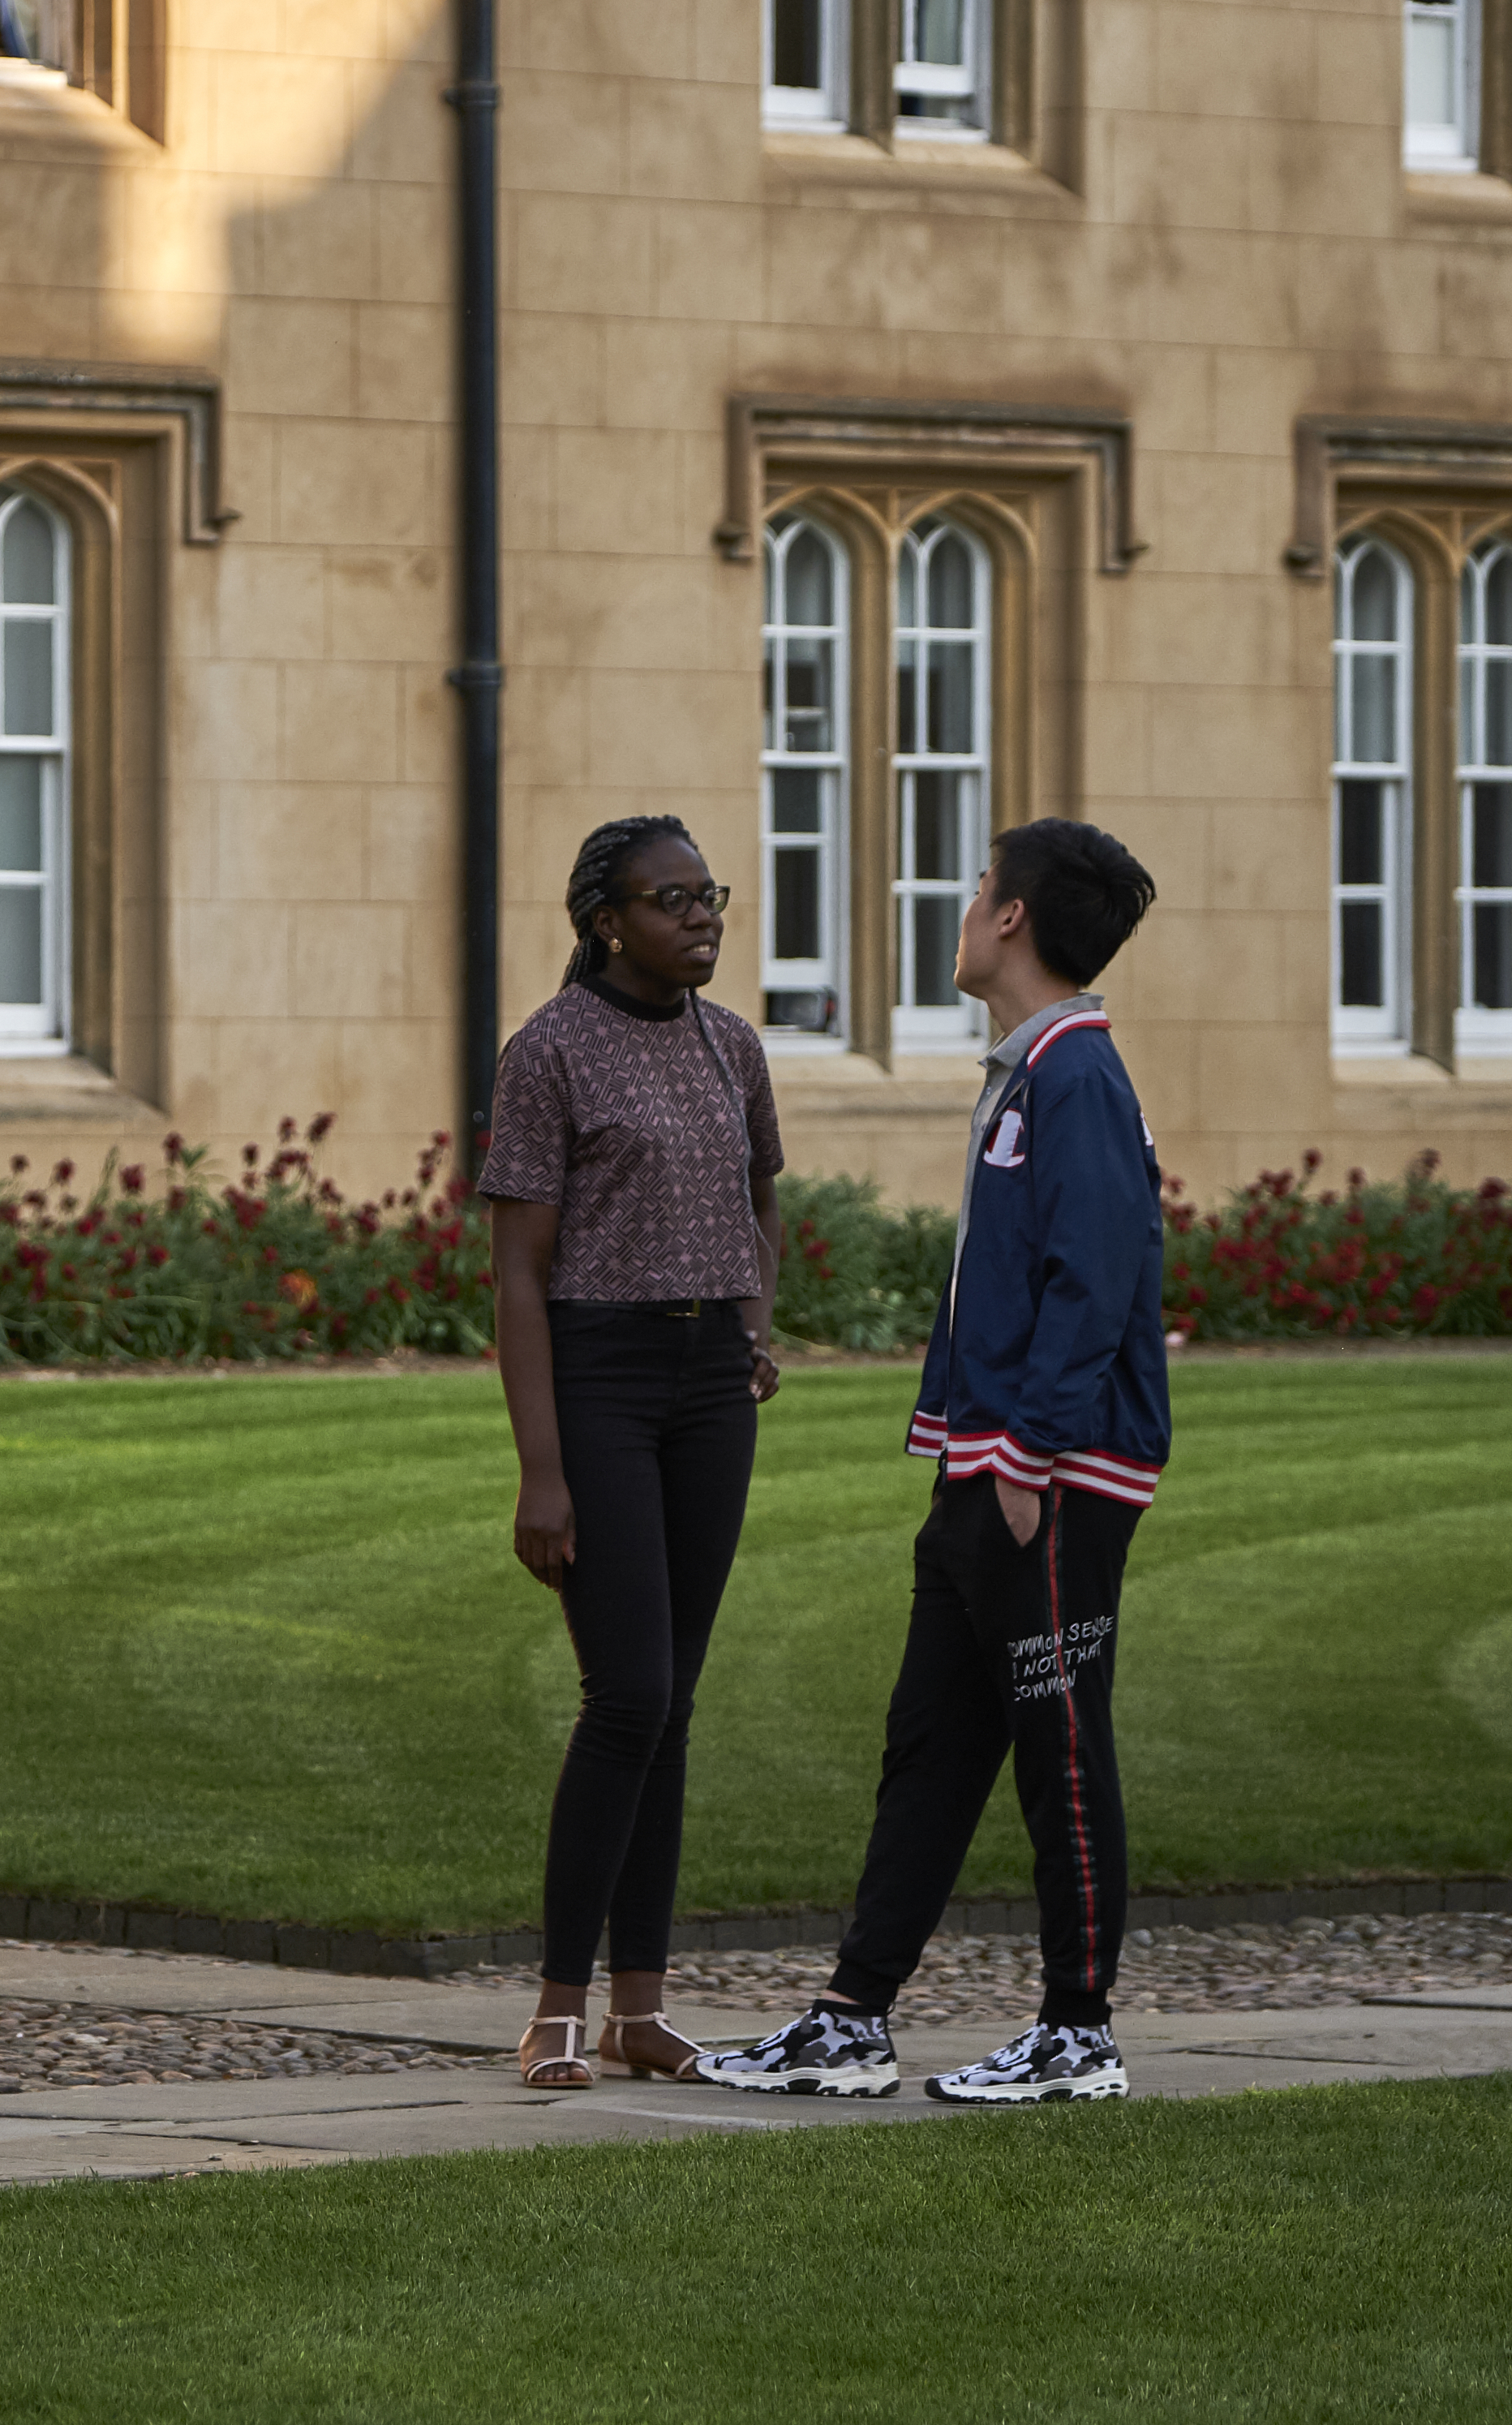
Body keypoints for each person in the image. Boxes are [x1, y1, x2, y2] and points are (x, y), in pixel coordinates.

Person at [702, 815, 1166, 2109]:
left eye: (976, 888)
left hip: (1045, 1478)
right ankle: (855, 2013)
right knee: (931, 1743)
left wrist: (1029, 1451)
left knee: (1059, 1739)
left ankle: (1077, 2031)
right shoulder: (1027, 1068)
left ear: (1011, 916)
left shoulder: (1076, 1074)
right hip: (980, 1468)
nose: (963, 907)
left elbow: (1097, 1274)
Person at [476, 816, 783, 2090]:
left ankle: (640, 2010)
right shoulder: (548, 1050)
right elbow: (517, 1271)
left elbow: (764, 1191)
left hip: (711, 1386)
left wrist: (756, 1323)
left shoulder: (732, 1046)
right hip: (599, 1379)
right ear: (607, 918)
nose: (700, 916)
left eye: (707, 893)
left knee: (675, 1702)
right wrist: (540, 1470)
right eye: (671, 898)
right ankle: (555, 2006)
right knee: (629, 1695)